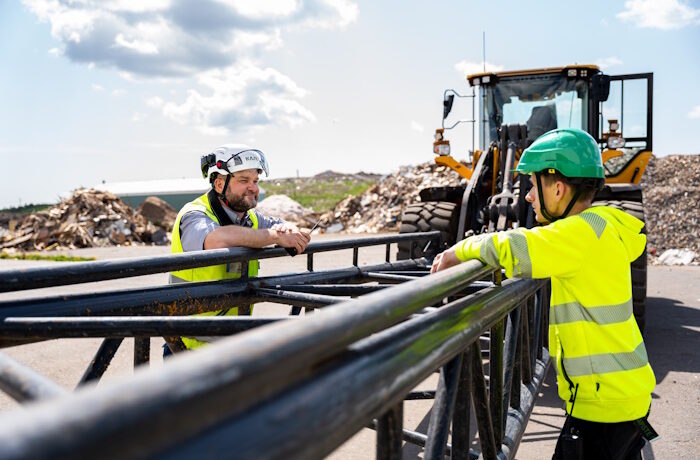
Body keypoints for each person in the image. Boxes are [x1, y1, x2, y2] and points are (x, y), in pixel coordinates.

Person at [431, 128, 656, 459]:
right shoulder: (600, 227)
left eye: (534, 186)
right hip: (625, 398)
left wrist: (460, 250)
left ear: (559, 188)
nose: (528, 197)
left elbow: (518, 246)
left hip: (603, 408)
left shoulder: (578, 234)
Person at [168, 144, 310, 351]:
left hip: (233, 343)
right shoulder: (195, 214)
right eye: (244, 180)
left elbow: (279, 225)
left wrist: (290, 230)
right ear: (219, 184)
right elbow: (215, 239)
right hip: (189, 350)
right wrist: (272, 236)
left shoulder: (250, 217)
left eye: (255, 181)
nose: (253, 188)